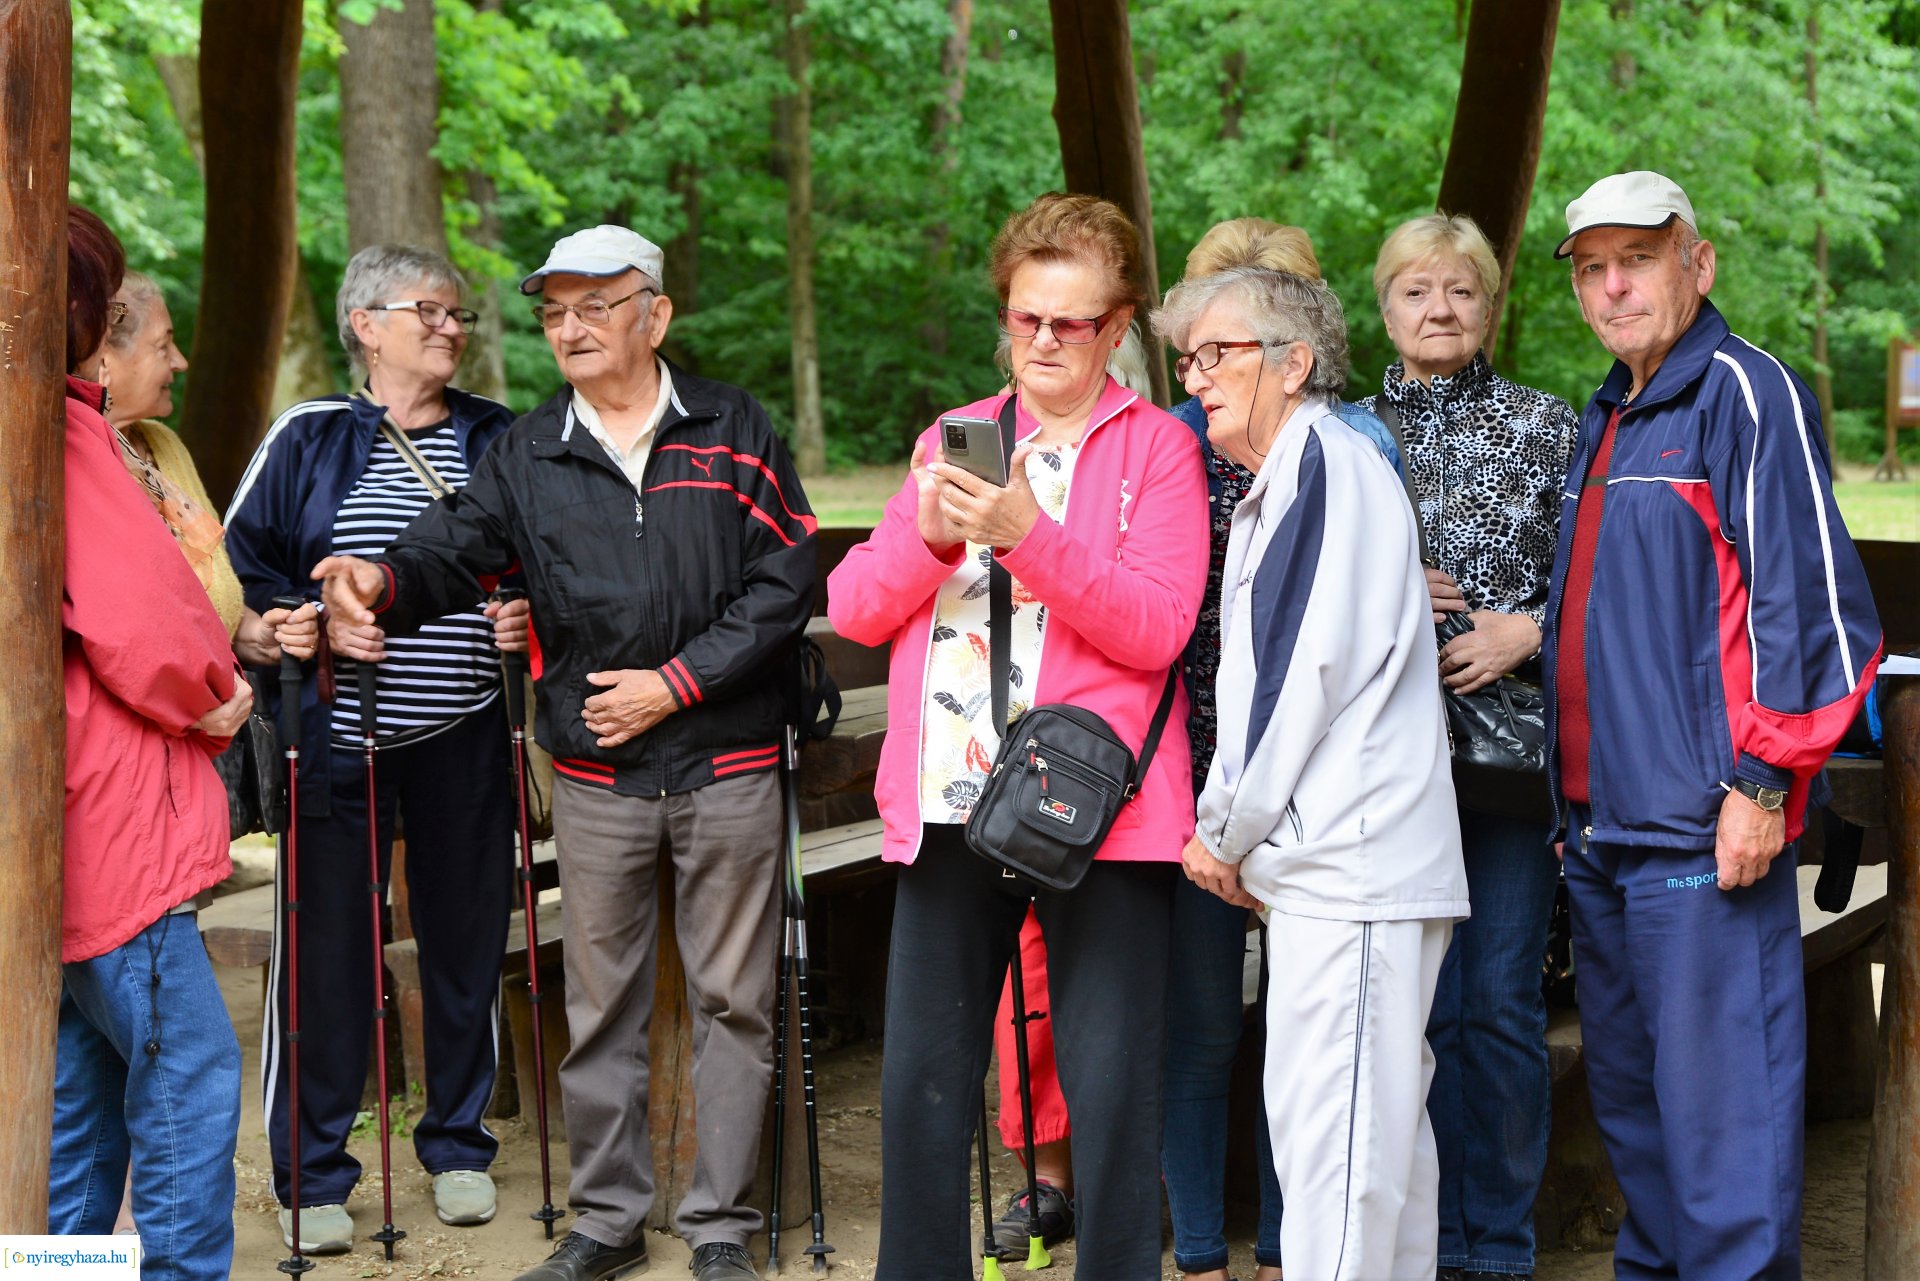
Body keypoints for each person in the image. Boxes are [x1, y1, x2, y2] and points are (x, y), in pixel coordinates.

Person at [310, 224, 816, 1281]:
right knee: (597, 1009)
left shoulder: (735, 427)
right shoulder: (529, 449)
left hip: (725, 763)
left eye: (595, 305)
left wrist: (675, 684)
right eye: (553, 313)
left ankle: (720, 1225)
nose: (570, 328)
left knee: (737, 1001)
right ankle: (608, 1220)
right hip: (594, 777)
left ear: (656, 315)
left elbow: (785, 583)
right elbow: (452, 550)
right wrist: (379, 582)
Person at [829, 191, 1208, 1280]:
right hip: (952, 806)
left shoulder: (1157, 455)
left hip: (1100, 813)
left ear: (1119, 325)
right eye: (1024, 317)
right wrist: (933, 542)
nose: (1042, 340)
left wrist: (1026, 536)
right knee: (922, 1090)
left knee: (1112, 1088)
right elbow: (857, 610)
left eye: (1071, 322)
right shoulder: (956, 437)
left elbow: (1154, 627)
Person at [1546, 171, 1882, 1279]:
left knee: (1725, 1131)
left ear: (1698, 263)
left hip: (1707, 826)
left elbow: (1819, 612)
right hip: (1600, 830)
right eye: (1591, 268)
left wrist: (1766, 783)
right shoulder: (1610, 409)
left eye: (1635, 259)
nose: (1612, 286)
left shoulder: (1746, 392)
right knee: (1639, 1122)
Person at [1156, 266, 1468, 1281]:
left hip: (1355, 866)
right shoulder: (1295, 470)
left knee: (1337, 1153)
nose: (1196, 376)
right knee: (1375, 1147)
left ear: (1294, 365)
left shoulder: (1322, 466)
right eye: (1189, 356)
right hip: (1343, 867)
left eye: (1219, 352)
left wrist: (1224, 831)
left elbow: (1298, 675)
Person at [224, 244, 520, 1252]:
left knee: (466, 941)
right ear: (366, 324)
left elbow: (543, 564)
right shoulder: (307, 435)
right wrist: (297, 614)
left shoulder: (500, 438)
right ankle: (312, 1170)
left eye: (456, 314)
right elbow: (236, 576)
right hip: (337, 739)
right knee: (324, 952)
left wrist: (524, 616)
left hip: (465, 733)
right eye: (427, 311)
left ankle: (458, 1145)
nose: (450, 326)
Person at [1355, 213, 1578, 1281]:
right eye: (1414, 290)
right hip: (1382, 771)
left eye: (1459, 290)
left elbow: (1611, 579)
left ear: (1491, 305)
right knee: (1412, 1009)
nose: (1437, 309)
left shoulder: (1550, 427)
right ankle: (1425, 1245)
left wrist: (1527, 627)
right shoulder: (1344, 435)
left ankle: (1499, 1247)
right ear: (1384, 306)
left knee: (1495, 1003)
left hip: (1508, 768)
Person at [51, 205, 252, 1281]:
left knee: (79, 1108)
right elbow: (144, 620)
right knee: (187, 1084)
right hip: (115, 823)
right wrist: (219, 691)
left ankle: (57, 1275)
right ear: (86, 313)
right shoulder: (71, 434)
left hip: (67, 827)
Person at [87, 271, 283, 666]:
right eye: (163, 346)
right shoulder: (79, 460)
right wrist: (189, 706)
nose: (181, 362)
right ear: (105, 355)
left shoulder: (164, 445)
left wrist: (250, 632)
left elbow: (205, 591)